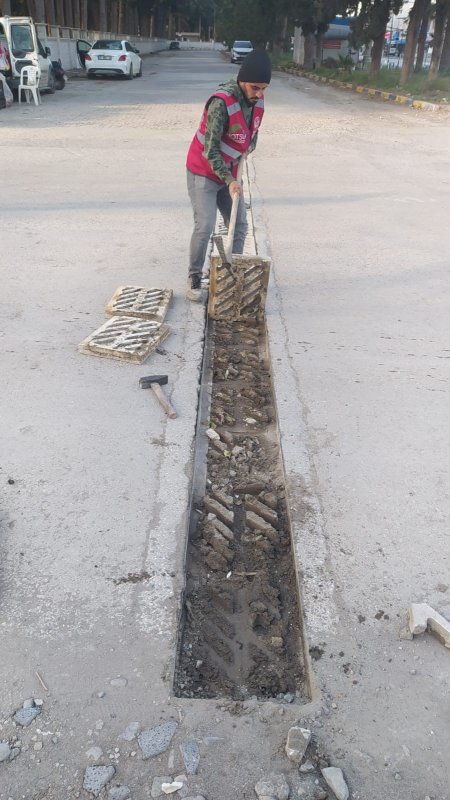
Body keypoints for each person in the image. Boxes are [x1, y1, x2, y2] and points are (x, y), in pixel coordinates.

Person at [185, 49, 272, 301]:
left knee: (240, 225)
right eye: (255, 88)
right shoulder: (221, 103)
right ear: (242, 81)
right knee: (205, 226)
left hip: (230, 173)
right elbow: (210, 151)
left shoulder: (258, 100)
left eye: (264, 89)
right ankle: (193, 276)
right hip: (203, 171)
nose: (260, 94)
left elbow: (253, 130)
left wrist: (249, 147)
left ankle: (227, 274)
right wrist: (230, 180)